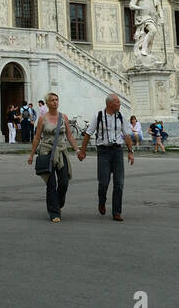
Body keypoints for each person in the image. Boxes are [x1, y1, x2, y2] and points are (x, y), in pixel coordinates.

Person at [77, 93, 135, 222]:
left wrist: (131, 152)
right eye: (117, 102)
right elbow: (88, 134)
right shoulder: (98, 116)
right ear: (109, 104)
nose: (119, 104)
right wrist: (82, 151)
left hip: (117, 152)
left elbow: (127, 135)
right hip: (103, 152)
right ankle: (102, 201)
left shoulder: (120, 116)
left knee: (119, 183)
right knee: (103, 182)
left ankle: (117, 212)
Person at [27, 92, 80, 222]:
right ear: (47, 103)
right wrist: (31, 154)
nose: (55, 102)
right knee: (51, 184)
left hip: (61, 152)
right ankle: (54, 213)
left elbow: (69, 136)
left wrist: (77, 150)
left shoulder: (64, 117)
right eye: (52, 100)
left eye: (57, 100)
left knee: (64, 182)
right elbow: (37, 137)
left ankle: (59, 203)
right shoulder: (42, 119)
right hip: (46, 152)